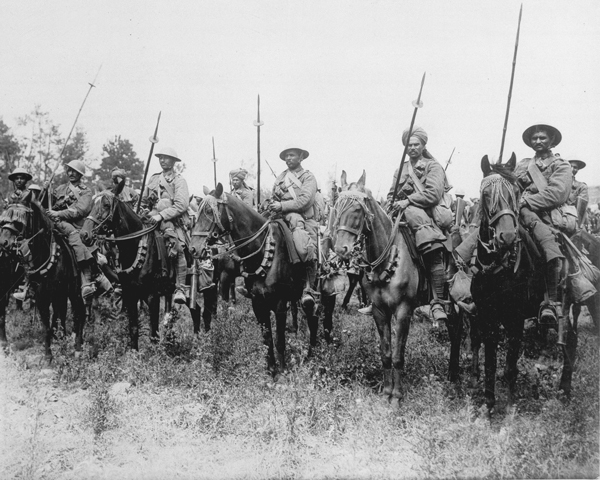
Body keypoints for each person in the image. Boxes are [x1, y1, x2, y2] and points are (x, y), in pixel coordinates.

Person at [385, 126, 453, 323]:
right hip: (400, 217)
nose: (412, 148)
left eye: (416, 144)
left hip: (426, 216)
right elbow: (391, 194)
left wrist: (407, 201)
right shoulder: (401, 169)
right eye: (409, 145)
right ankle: (379, 296)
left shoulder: (433, 166)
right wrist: (392, 203)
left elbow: (433, 194)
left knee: (431, 246)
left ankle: (438, 301)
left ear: (424, 145)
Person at [515, 124, 572, 325]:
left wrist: (527, 202)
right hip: (517, 213)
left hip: (547, 216)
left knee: (548, 244)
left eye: (543, 138)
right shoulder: (522, 164)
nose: (538, 141)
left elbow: (557, 193)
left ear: (552, 140)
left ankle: (550, 301)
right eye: (534, 138)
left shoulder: (561, 165)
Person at [45, 160, 112, 299]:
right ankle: (29, 284)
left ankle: (90, 278)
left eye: (74, 171)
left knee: (79, 238)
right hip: (56, 223)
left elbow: (80, 211)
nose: (71, 173)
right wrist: (46, 190)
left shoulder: (86, 192)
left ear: (80, 174)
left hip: (75, 224)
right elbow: (46, 203)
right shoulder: (60, 189)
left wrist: (59, 214)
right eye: (69, 170)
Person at [268, 145, 319, 311]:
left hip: (303, 219)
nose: (288, 158)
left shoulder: (308, 177)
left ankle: (308, 288)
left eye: (292, 155)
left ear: (301, 157)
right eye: (286, 156)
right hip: (281, 218)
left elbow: (305, 200)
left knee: (303, 245)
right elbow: (273, 197)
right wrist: (270, 205)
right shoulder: (281, 177)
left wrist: (282, 205)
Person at [139, 146, 191, 304]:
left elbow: (181, 205)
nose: (162, 160)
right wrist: (143, 210)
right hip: (151, 219)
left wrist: (161, 215)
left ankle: (180, 288)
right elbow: (145, 201)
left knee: (179, 248)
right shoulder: (153, 179)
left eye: (166, 157)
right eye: (160, 157)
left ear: (174, 161)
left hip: (172, 220)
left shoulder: (179, 180)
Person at [566, 159, 589, 230]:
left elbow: (581, 210)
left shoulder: (581, 187)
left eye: (575, 167)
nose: (572, 169)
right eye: (570, 166)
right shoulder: (557, 182)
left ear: (577, 170)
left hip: (573, 220)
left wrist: (578, 226)